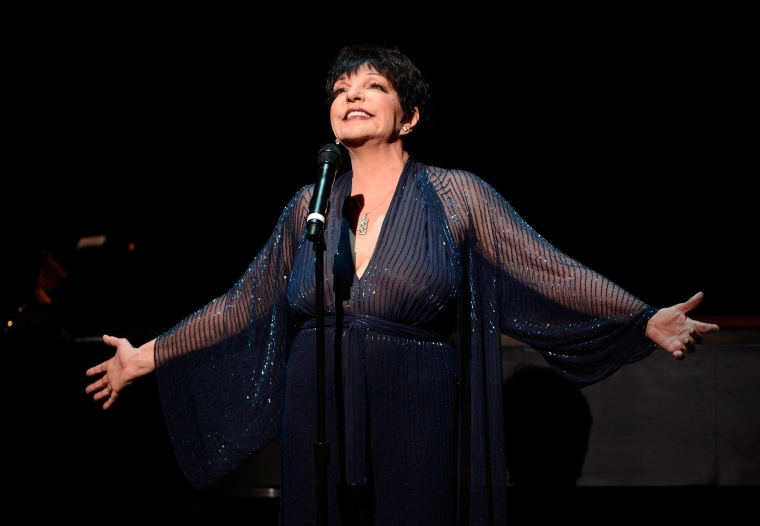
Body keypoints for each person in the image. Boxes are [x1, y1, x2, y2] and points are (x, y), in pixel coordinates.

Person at [85, 44, 720, 526]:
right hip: (318, 403)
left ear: (408, 115)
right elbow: (243, 303)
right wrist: (146, 355)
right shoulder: (309, 203)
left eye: (373, 86)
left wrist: (640, 318)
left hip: (414, 398)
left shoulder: (455, 195)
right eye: (340, 89)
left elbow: (546, 268)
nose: (350, 96)